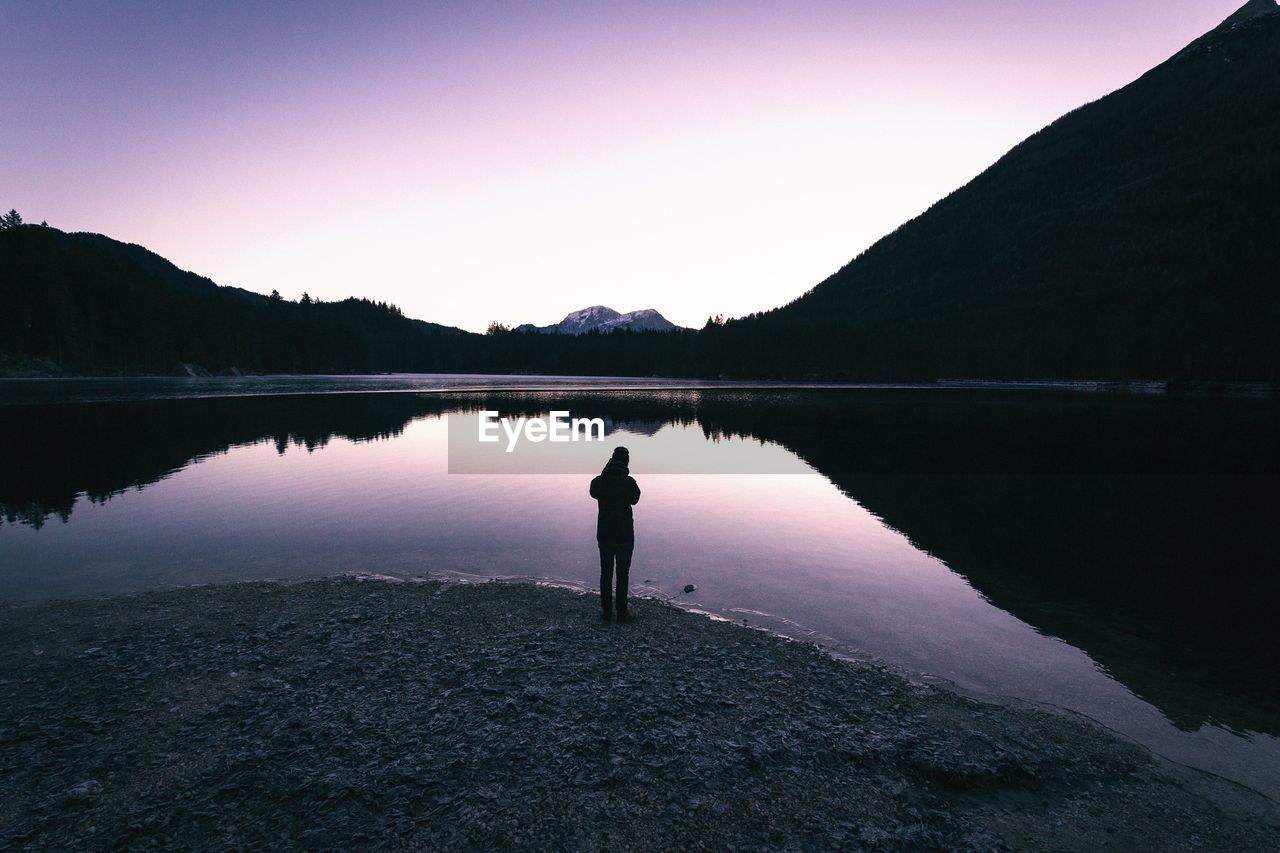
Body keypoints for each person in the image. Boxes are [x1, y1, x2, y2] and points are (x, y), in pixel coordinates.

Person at [589, 446, 641, 623]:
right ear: (626, 462)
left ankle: (606, 612)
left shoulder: (599, 481)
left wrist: (606, 472)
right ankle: (621, 612)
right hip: (625, 535)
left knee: (606, 572)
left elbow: (593, 492)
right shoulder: (629, 482)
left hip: (605, 534)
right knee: (622, 574)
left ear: (611, 460)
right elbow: (635, 499)